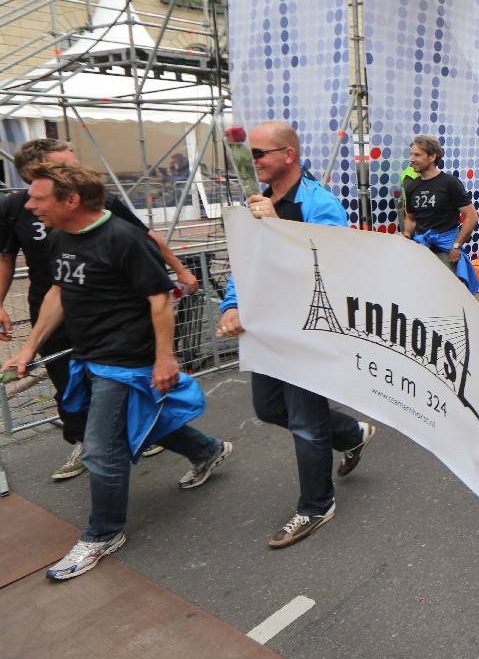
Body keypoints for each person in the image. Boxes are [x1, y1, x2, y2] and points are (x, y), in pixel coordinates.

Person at [2, 162, 231, 580]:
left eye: (37, 197)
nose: (29, 205)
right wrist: (29, 347)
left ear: (72, 200)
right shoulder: (59, 237)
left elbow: (160, 299)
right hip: (89, 355)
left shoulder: (124, 238)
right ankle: (207, 450)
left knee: (100, 449)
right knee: (141, 420)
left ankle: (103, 533)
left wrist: (165, 359)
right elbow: (58, 292)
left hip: (124, 360)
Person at [0, 138, 199, 480]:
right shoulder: (22, 211)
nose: (78, 169)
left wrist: (179, 270)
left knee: (114, 415)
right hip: (54, 314)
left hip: (114, 324)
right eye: (67, 164)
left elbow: (144, 239)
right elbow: (12, 261)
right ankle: (94, 440)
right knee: (71, 389)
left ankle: (99, 453)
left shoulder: (99, 206)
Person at [217, 122, 376, 547]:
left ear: (288, 155)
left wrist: (281, 229)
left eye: (258, 154)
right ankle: (352, 434)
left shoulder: (320, 205)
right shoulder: (258, 201)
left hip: (307, 330)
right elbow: (245, 261)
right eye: (246, 154)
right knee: (269, 408)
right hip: (267, 328)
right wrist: (231, 304)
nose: (249, 162)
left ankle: (316, 506)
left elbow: (335, 268)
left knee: (306, 422)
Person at [402, 135, 479, 269]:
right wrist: (407, 234)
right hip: (421, 250)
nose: (411, 159)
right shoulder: (412, 186)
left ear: (432, 157)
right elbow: (410, 218)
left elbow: (472, 217)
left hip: (446, 252)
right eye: (411, 154)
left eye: (417, 155)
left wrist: (456, 246)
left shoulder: (450, 183)